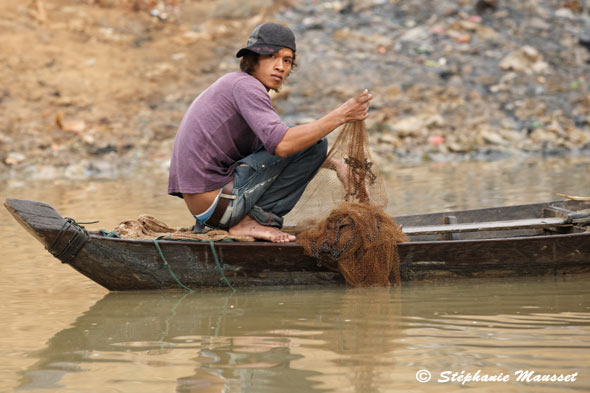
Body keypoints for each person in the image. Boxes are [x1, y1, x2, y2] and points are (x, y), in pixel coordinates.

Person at [168, 22, 372, 243]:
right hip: (220, 204)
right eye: (272, 57)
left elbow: (277, 149)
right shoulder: (246, 86)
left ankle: (243, 221)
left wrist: (338, 165)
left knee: (304, 141)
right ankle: (252, 222)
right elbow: (283, 145)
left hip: (208, 210)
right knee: (315, 142)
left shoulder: (235, 86)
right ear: (252, 60)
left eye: (287, 61)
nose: (281, 67)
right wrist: (342, 114)